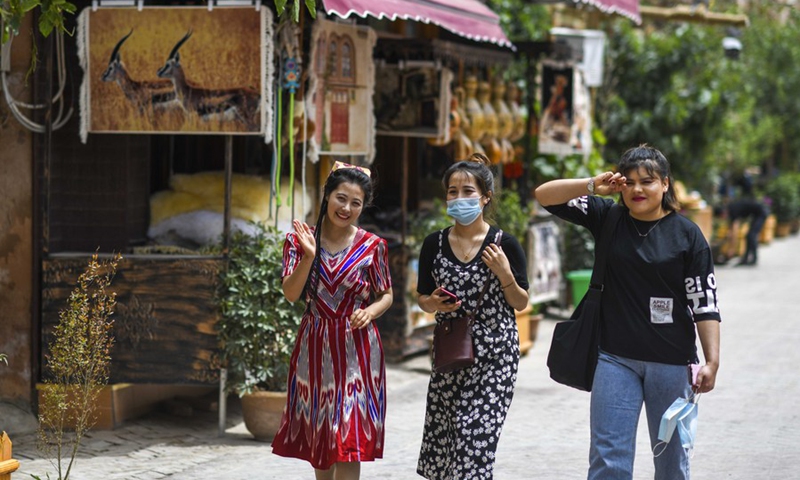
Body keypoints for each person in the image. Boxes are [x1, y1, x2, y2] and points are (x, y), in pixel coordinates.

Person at [534, 144, 721, 480]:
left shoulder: (687, 235)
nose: (638, 189)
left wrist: (712, 360)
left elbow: (704, 301)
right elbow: (545, 195)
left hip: (671, 361)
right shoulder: (607, 216)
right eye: (630, 182)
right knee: (608, 457)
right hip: (614, 358)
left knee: (671, 458)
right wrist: (592, 184)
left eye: (647, 181)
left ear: (665, 184)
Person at [272, 161, 394, 480]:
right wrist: (309, 256)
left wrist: (370, 311)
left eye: (356, 203)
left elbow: (386, 295)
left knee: (349, 436)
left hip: (357, 348)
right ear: (327, 195)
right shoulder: (298, 240)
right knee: (322, 436)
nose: (347, 208)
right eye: (341, 198)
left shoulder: (373, 246)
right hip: (315, 344)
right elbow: (290, 293)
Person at [416, 153, 530, 479]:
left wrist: (504, 272)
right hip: (451, 354)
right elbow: (422, 297)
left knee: (473, 437)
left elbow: (520, 301)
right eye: (452, 191)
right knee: (447, 443)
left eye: (468, 191)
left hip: (495, 355)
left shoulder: (504, 243)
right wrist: (433, 303)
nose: (459, 198)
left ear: (485, 197)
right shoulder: (433, 245)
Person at [727, 197, 769, 266]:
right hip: (756, 214)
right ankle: (745, 259)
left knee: (751, 236)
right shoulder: (732, 208)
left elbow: (734, 231)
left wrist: (731, 249)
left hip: (761, 213)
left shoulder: (733, 210)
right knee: (748, 236)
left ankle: (754, 258)